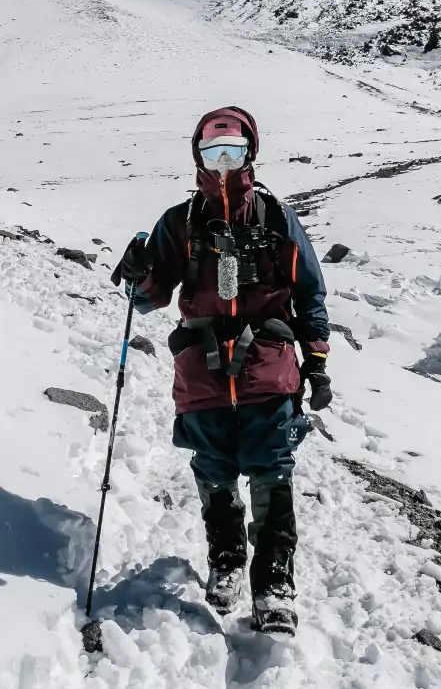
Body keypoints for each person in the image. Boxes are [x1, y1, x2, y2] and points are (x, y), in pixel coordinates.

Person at [111, 107, 332, 634]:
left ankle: (275, 584)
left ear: (250, 153)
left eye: (234, 152)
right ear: (198, 157)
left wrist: (317, 364)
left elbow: (309, 293)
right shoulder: (179, 223)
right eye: (214, 154)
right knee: (214, 472)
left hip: (269, 368)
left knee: (270, 470)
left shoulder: (276, 219)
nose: (225, 165)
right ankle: (227, 560)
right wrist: (139, 278)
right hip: (203, 374)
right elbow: (150, 301)